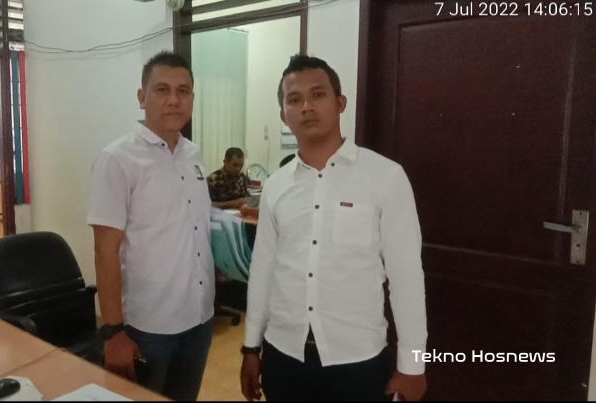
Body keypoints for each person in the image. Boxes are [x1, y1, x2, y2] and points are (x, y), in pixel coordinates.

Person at [240, 55, 428, 401]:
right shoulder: (276, 185)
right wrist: (251, 348)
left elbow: (406, 277)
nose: (306, 106)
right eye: (294, 99)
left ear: (340, 103)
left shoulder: (385, 177)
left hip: (357, 360)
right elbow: (263, 269)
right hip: (284, 354)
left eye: (318, 94)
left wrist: (413, 365)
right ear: (283, 115)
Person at [87, 51, 214, 401]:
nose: (174, 100)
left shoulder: (193, 155)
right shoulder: (117, 159)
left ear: (192, 98)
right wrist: (113, 331)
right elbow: (105, 251)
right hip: (148, 328)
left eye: (183, 91)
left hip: (200, 319)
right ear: (142, 97)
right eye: (162, 90)